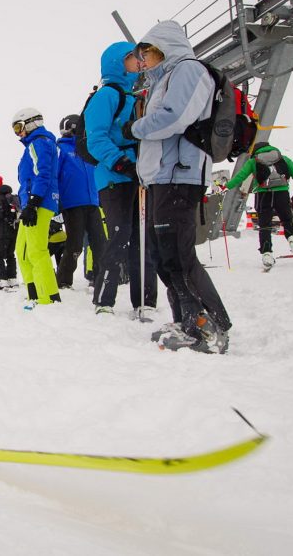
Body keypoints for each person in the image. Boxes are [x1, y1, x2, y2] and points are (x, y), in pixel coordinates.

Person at [122, 22, 232, 354]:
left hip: (179, 177)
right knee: (161, 254)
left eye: (146, 52)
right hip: (161, 178)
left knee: (178, 255)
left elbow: (175, 118)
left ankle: (209, 326)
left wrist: (135, 128)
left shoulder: (188, 70)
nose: (142, 59)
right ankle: (187, 319)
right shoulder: (162, 80)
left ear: (162, 47)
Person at [83, 42, 155, 316]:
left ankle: (145, 301)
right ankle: (104, 300)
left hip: (138, 175)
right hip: (114, 177)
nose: (139, 62)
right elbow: (96, 139)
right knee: (119, 235)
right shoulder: (107, 95)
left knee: (142, 239)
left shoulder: (136, 96)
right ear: (117, 61)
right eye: (132, 58)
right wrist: (121, 162)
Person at [222, 142, 293, 269]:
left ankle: (267, 254)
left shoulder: (253, 161)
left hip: (263, 195)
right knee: (287, 219)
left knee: (265, 225)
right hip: (282, 193)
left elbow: (240, 176)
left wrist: (226, 186)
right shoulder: (282, 158)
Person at [12, 107, 62, 308]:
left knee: (36, 251)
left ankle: (48, 297)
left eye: (18, 127)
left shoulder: (39, 142)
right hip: (32, 202)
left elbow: (43, 173)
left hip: (38, 202)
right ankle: (34, 293)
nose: (18, 133)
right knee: (22, 251)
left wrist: (34, 201)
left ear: (31, 123)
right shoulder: (37, 143)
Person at [55, 115, 107, 290]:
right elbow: (54, 176)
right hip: (72, 203)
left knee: (100, 242)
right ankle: (63, 281)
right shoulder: (61, 149)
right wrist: (58, 203)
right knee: (75, 244)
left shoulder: (88, 150)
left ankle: (100, 278)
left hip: (93, 202)